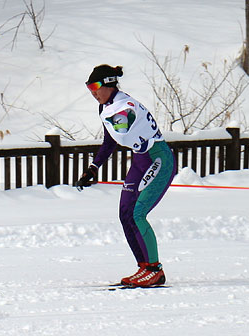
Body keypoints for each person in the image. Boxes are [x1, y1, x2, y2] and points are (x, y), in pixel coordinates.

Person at [75, 64, 176, 287]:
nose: (92, 92)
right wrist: (93, 167)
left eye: (95, 86)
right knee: (125, 214)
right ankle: (144, 266)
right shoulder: (106, 108)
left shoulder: (123, 105)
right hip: (141, 159)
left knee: (138, 213)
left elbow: (122, 126)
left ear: (109, 84)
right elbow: (110, 140)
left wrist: (120, 120)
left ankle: (155, 269)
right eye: (88, 87)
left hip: (158, 157)